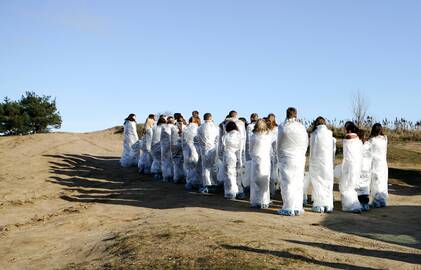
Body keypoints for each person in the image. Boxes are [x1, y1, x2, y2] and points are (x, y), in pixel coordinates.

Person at [277, 107, 309, 216]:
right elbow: (305, 142)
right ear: (296, 115)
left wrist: (280, 156)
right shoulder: (301, 127)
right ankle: (297, 207)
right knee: (298, 182)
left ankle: (288, 207)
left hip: (287, 157)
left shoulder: (282, 127)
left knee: (287, 182)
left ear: (286, 114)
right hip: (299, 157)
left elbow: (279, 143)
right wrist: (302, 154)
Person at [308, 117, 336, 213]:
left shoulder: (314, 134)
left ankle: (319, 205)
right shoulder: (329, 134)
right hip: (327, 163)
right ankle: (328, 205)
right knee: (328, 183)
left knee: (318, 183)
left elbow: (312, 150)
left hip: (316, 162)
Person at [339, 121, 363, 213]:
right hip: (355, 164)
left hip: (350, 165)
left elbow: (347, 138)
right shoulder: (358, 139)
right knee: (349, 186)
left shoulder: (349, 136)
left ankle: (351, 206)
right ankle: (354, 205)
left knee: (346, 186)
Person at [250, 119, 272, 209]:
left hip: (256, 160)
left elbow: (250, 150)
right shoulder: (269, 136)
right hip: (266, 160)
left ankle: (256, 201)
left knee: (255, 181)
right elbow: (271, 149)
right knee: (265, 181)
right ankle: (265, 201)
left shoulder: (253, 137)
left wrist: (253, 157)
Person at [197, 113, 220, 193]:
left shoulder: (200, 128)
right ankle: (214, 183)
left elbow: (198, 139)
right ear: (211, 118)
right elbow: (218, 138)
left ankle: (207, 184)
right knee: (213, 166)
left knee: (205, 168)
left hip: (204, 149)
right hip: (213, 149)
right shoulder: (215, 127)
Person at [222, 121, 244, 200]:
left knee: (229, 174)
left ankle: (231, 192)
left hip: (229, 156)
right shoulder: (239, 135)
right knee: (238, 174)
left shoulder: (226, 136)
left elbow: (222, 148)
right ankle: (240, 191)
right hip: (238, 155)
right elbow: (242, 148)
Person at [368, 123, 389, 208]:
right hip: (383, 163)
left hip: (375, 163)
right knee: (383, 181)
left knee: (375, 182)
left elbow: (368, 151)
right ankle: (382, 199)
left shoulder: (372, 140)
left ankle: (376, 200)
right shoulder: (385, 138)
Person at [183, 116, 201, 190]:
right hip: (195, 151)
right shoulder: (198, 129)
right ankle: (195, 183)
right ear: (197, 121)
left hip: (186, 151)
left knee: (189, 169)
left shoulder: (185, 129)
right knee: (196, 168)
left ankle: (189, 183)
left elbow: (182, 142)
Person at [245, 113, 259, 191]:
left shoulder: (249, 126)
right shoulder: (252, 127)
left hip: (251, 149)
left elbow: (249, 139)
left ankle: (249, 186)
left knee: (250, 168)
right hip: (255, 149)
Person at [171, 114, 186, 183]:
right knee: (182, 162)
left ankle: (176, 177)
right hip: (182, 145)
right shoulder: (185, 127)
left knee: (176, 163)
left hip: (175, 145)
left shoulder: (173, 127)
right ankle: (182, 176)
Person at [267, 113, 279, 196]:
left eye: (272, 118)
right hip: (267, 151)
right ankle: (269, 189)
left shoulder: (276, 128)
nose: (271, 119)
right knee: (268, 170)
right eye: (269, 118)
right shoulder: (266, 128)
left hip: (275, 151)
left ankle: (273, 189)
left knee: (274, 170)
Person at [160, 116, 174, 181]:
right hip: (169, 146)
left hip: (165, 146)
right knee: (170, 161)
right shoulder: (173, 127)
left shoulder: (163, 127)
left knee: (166, 161)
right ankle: (169, 175)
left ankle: (166, 176)